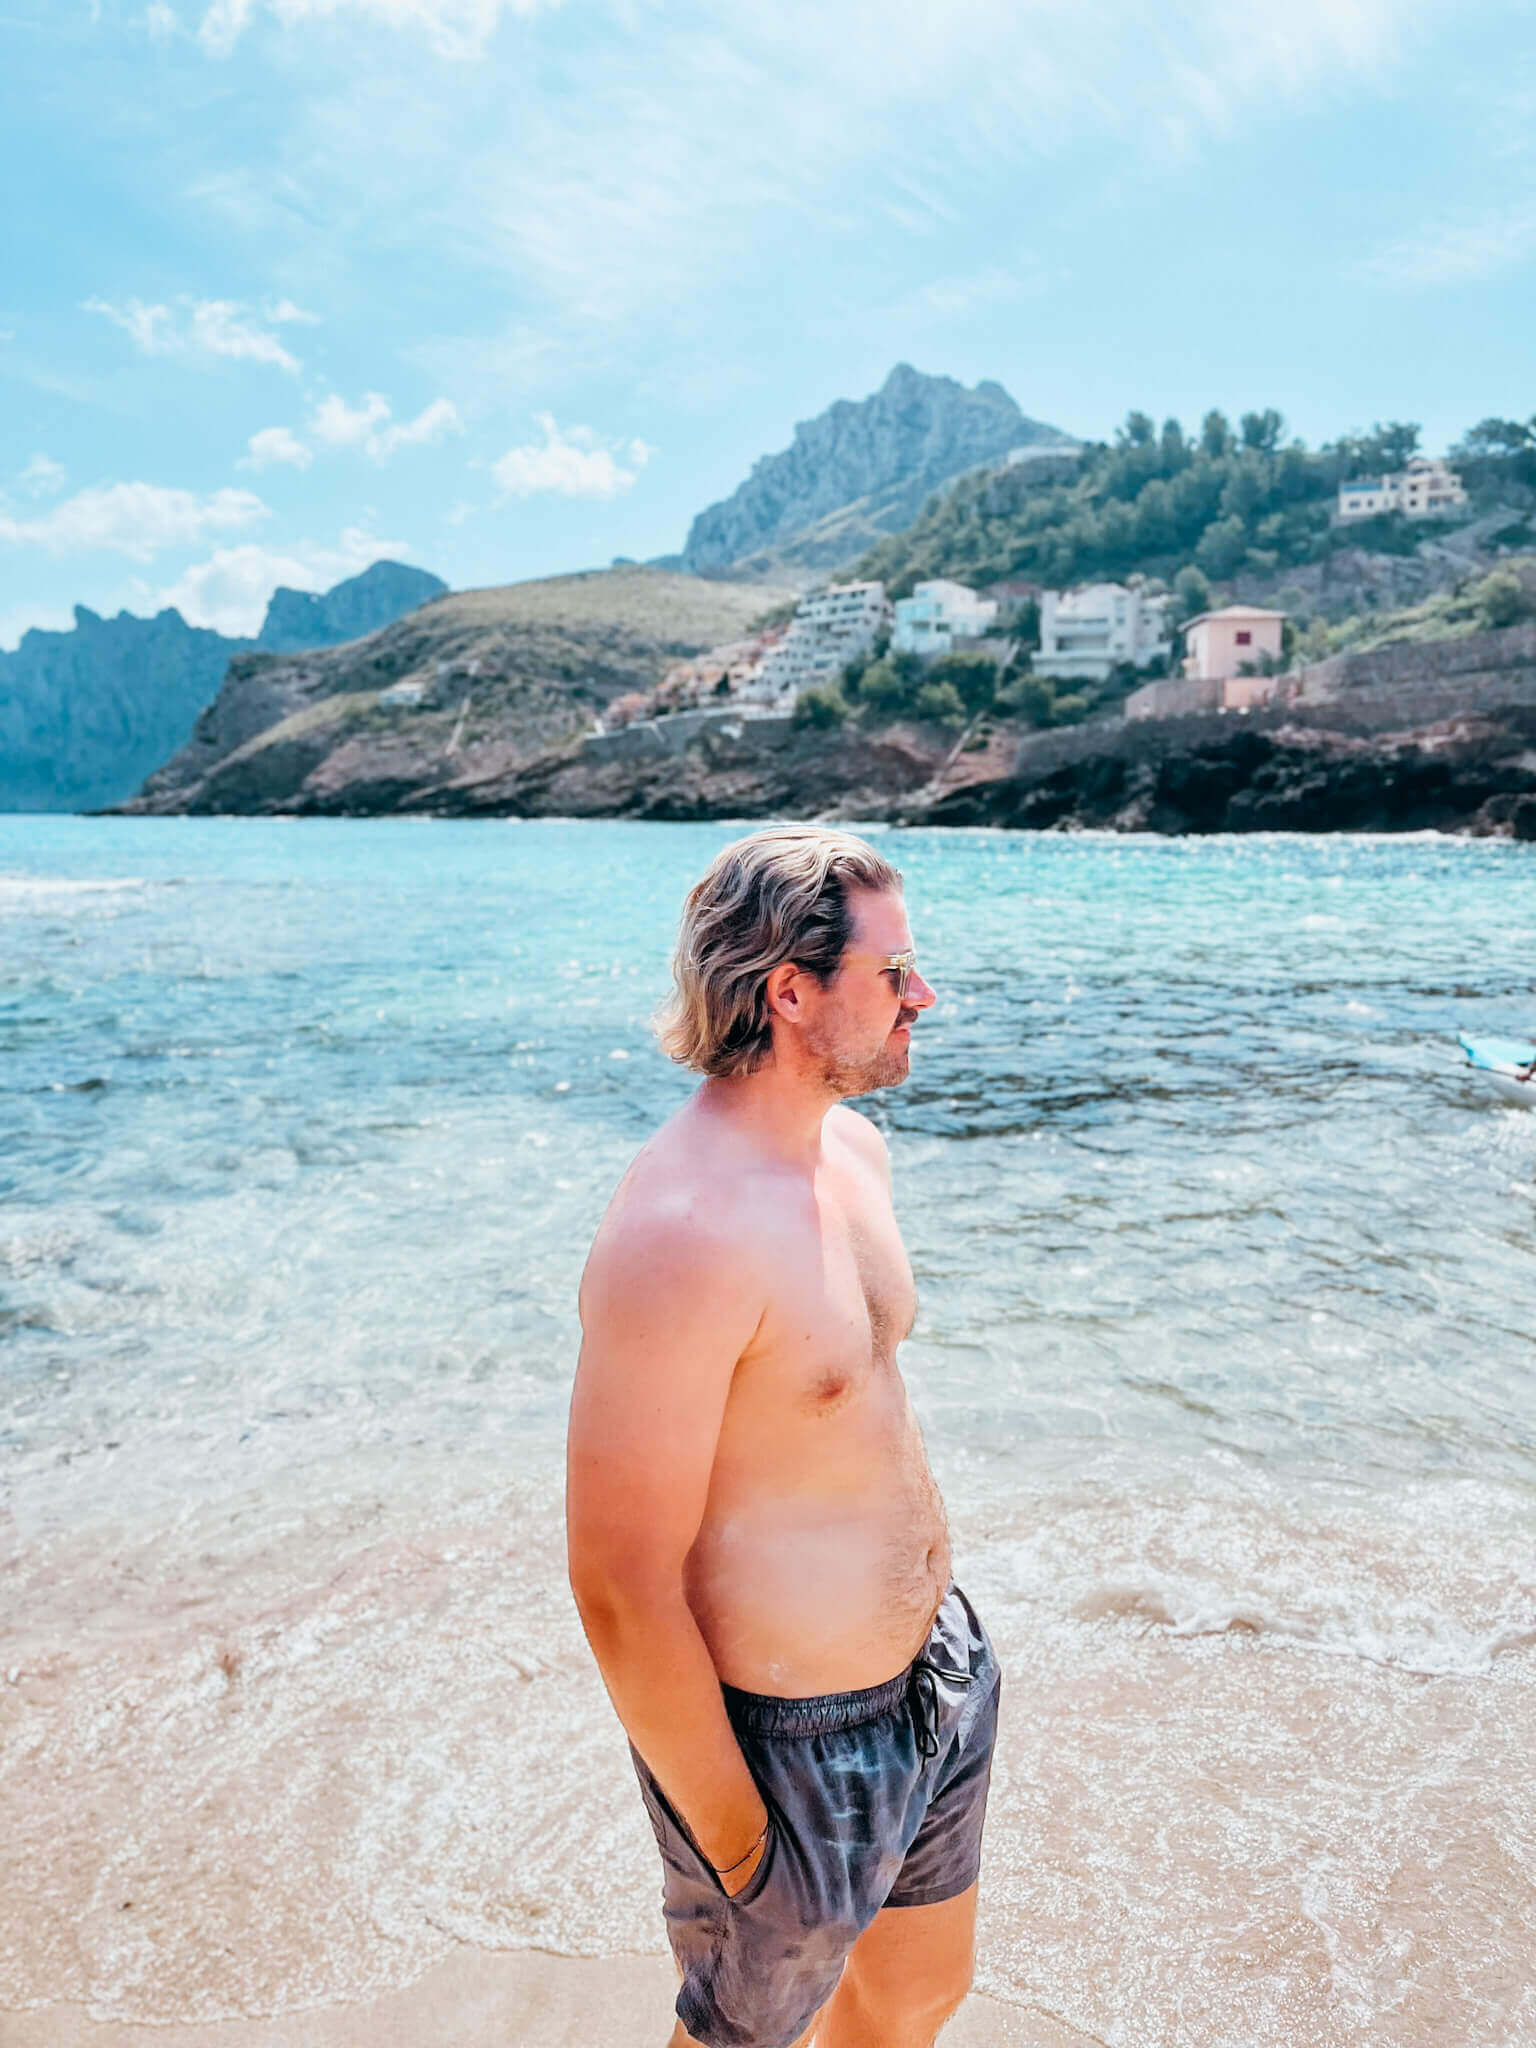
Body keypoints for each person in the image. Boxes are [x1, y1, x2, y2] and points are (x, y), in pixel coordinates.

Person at [566, 825, 1002, 2048]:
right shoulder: (680, 1232)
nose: (926, 994)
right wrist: (741, 1837)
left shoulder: (852, 1148)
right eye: (896, 970)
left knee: (916, 1998)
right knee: (738, 2042)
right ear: (791, 991)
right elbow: (616, 1580)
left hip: (936, 1678)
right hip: (786, 1744)